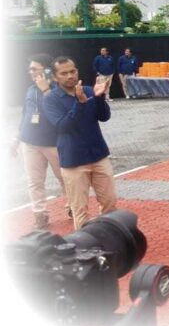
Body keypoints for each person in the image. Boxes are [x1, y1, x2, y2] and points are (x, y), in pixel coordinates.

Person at [43, 57, 118, 230]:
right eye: (64, 73)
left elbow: (104, 117)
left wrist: (100, 97)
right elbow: (63, 126)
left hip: (98, 156)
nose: (70, 76)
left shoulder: (89, 90)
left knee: (110, 204)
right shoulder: (51, 99)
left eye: (72, 71)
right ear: (55, 77)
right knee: (80, 210)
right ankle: (86, 249)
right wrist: (80, 103)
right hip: (73, 161)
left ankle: (111, 240)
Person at [11, 54, 68, 229]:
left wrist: (46, 89)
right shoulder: (30, 89)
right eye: (30, 68)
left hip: (54, 143)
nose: (31, 72)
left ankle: (73, 206)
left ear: (48, 70)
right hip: (30, 143)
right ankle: (40, 214)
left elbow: (61, 111)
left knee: (65, 179)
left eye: (35, 68)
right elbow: (26, 115)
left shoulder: (59, 90)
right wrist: (17, 139)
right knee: (34, 181)